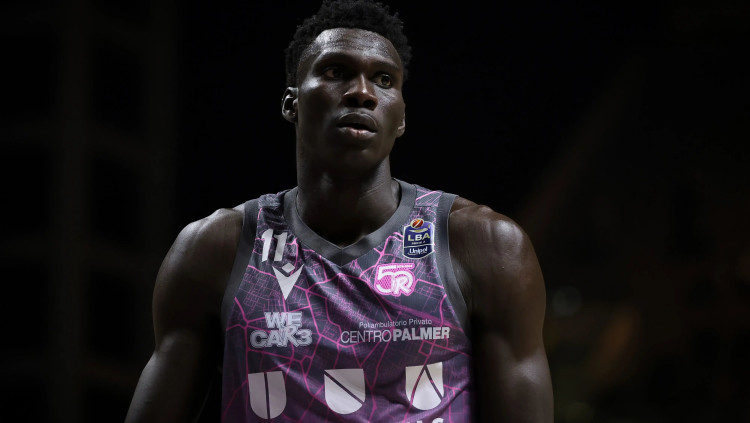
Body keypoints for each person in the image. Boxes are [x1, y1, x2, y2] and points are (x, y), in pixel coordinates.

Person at [125, 0, 553, 421]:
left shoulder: (482, 245)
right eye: (336, 72)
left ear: (401, 117)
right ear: (291, 103)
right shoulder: (216, 250)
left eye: (383, 79)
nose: (362, 92)